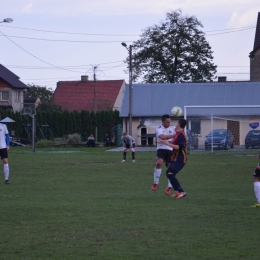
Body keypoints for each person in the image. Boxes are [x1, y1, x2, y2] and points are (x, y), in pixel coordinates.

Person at [159, 119, 187, 199]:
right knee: (169, 173)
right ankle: (177, 191)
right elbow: (176, 144)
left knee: (170, 173)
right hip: (176, 157)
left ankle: (182, 191)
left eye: (177, 122)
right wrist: (165, 142)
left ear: (178, 124)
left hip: (181, 158)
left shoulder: (181, 134)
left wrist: (167, 143)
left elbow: (179, 147)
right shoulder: (177, 133)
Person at [151, 114, 176, 195]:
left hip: (170, 150)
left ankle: (169, 187)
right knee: (159, 163)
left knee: (170, 169)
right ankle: (156, 183)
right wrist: (173, 135)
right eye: (167, 122)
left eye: (169, 122)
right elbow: (162, 137)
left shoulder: (173, 128)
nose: (168, 123)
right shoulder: (159, 129)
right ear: (162, 121)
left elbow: (177, 138)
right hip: (161, 149)